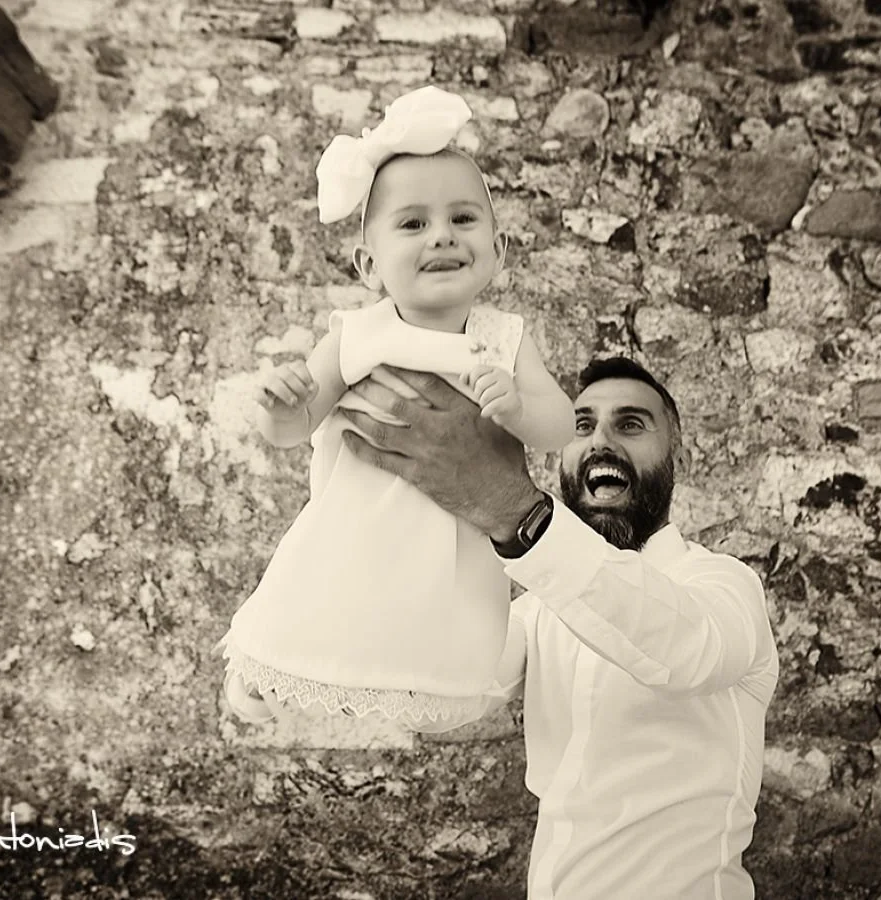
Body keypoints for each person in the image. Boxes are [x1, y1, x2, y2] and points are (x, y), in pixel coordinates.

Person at [339, 356, 779, 899]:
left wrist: (509, 507)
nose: (601, 442)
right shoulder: (537, 611)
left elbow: (688, 653)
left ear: (677, 455)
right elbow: (435, 693)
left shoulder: (724, 586)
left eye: (631, 424)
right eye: (582, 425)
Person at [216, 85, 575, 733]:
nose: (441, 236)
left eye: (464, 219)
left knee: (439, 635)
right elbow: (293, 430)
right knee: (328, 613)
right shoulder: (355, 335)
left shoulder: (502, 338)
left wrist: (519, 407)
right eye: (413, 224)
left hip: (454, 549)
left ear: (499, 252)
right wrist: (283, 405)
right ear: (368, 265)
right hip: (356, 533)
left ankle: (425, 689)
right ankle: (286, 669)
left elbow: (560, 426)